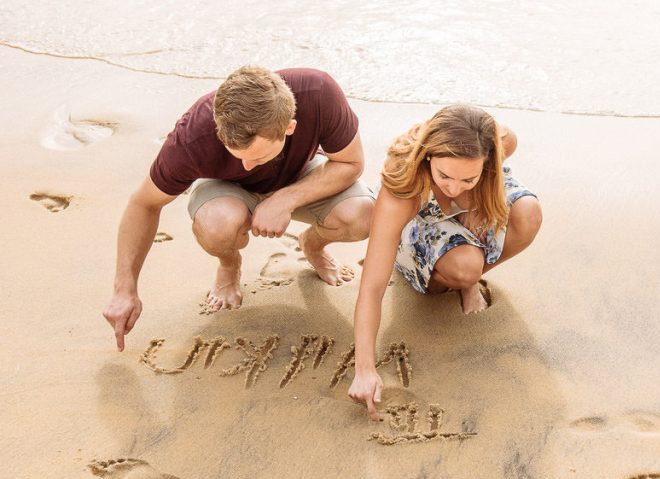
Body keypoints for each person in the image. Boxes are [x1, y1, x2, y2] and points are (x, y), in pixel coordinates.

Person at [102, 66, 374, 351]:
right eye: (238, 157)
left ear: (289, 127)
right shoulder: (193, 135)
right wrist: (124, 290)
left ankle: (314, 246)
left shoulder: (318, 92)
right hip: (228, 191)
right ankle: (229, 265)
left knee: (361, 216)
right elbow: (143, 204)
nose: (247, 167)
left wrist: (284, 200)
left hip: (301, 173)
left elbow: (351, 163)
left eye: (258, 157)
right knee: (217, 226)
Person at [347, 104, 543, 420]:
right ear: (429, 157)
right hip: (423, 215)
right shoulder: (404, 188)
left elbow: (484, 164)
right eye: (445, 176)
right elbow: (371, 287)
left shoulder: (499, 143)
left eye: (467, 178)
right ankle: (463, 276)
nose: (453, 187)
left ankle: (473, 268)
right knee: (464, 268)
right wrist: (364, 369)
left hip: (481, 194)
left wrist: (473, 195)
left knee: (528, 213)